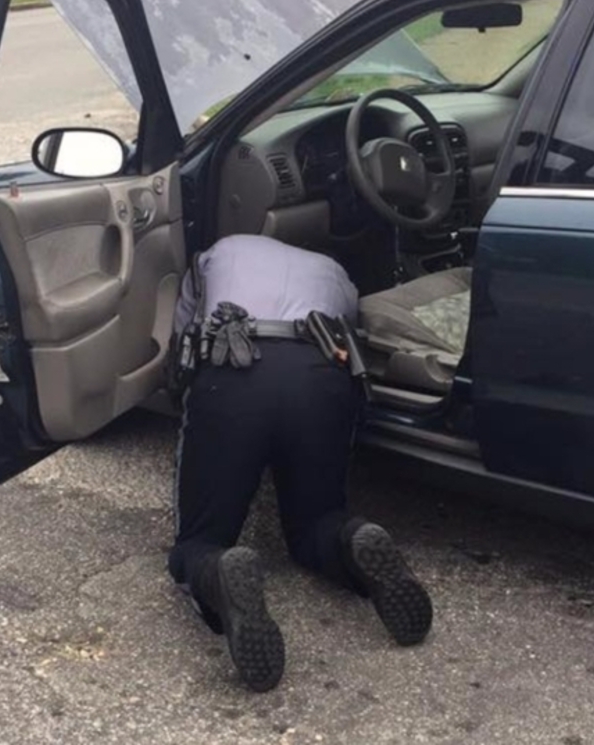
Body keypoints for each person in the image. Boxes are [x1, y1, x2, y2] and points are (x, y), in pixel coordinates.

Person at [167, 233, 433, 692]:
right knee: (316, 522)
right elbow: (351, 333)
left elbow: (183, 337)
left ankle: (219, 566)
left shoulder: (218, 250)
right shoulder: (337, 276)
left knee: (196, 540)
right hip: (321, 375)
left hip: (236, 368)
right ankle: (353, 542)